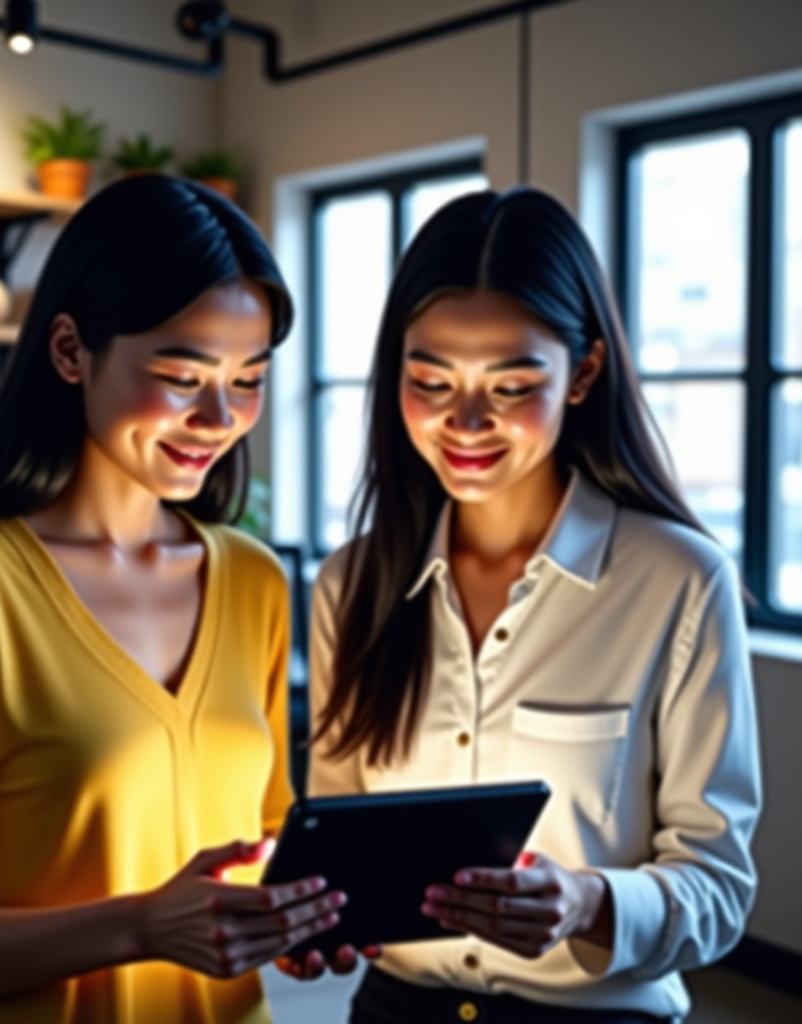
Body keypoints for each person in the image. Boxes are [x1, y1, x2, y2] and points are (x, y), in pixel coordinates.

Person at [0, 175, 348, 1024]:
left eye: (249, 379)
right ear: (73, 350)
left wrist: (297, 918)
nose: (220, 417)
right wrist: (142, 926)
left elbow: (262, 842)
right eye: (182, 375)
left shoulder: (255, 581)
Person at [300, 187, 761, 1023]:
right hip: (395, 1009)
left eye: (511, 386)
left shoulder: (680, 581)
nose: (464, 420)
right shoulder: (351, 586)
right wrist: (319, 915)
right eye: (429, 379)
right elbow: (337, 838)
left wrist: (587, 901)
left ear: (582, 373)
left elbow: (719, 887)